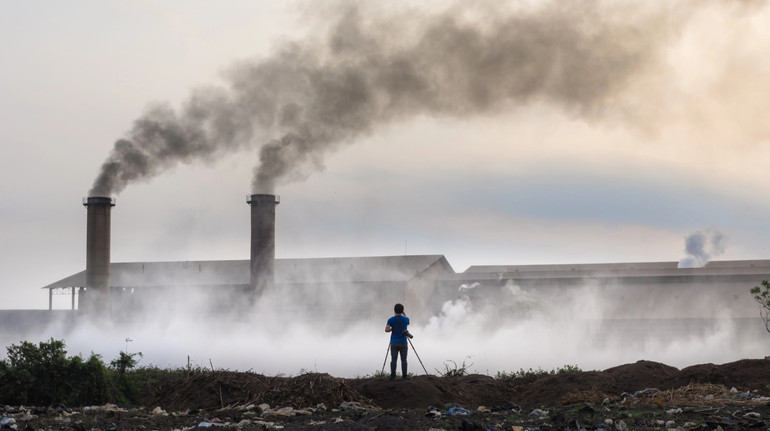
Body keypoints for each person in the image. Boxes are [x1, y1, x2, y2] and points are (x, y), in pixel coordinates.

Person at [385, 303, 410, 380]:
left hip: (394, 342)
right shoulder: (406, 319)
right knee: (404, 360)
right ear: (402, 310)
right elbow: (408, 321)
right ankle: (404, 377)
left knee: (393, 360)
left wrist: (392, 329)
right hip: (403, 342)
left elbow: (386, 330)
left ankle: (393, 376)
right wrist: (403, 313)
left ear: (394, 310)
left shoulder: (391, 319)